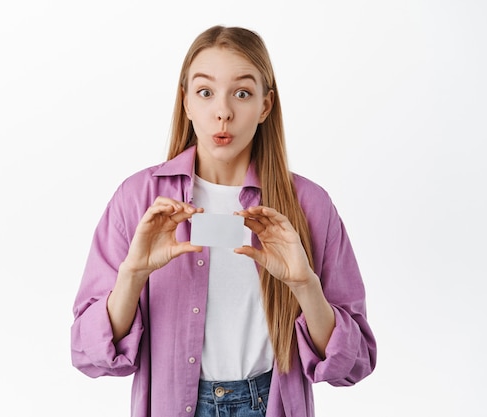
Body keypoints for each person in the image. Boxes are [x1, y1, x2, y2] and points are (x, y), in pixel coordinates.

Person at [70, 25, 377, 417]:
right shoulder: (139, 200)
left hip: (270, 405)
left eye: (243, 93)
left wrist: (305, 286)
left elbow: (356, 363)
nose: (223, 111)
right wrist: (132, 275)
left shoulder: (309, 206)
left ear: (265, 106)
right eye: (205, 92)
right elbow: (86, 352)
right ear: (186, 103)